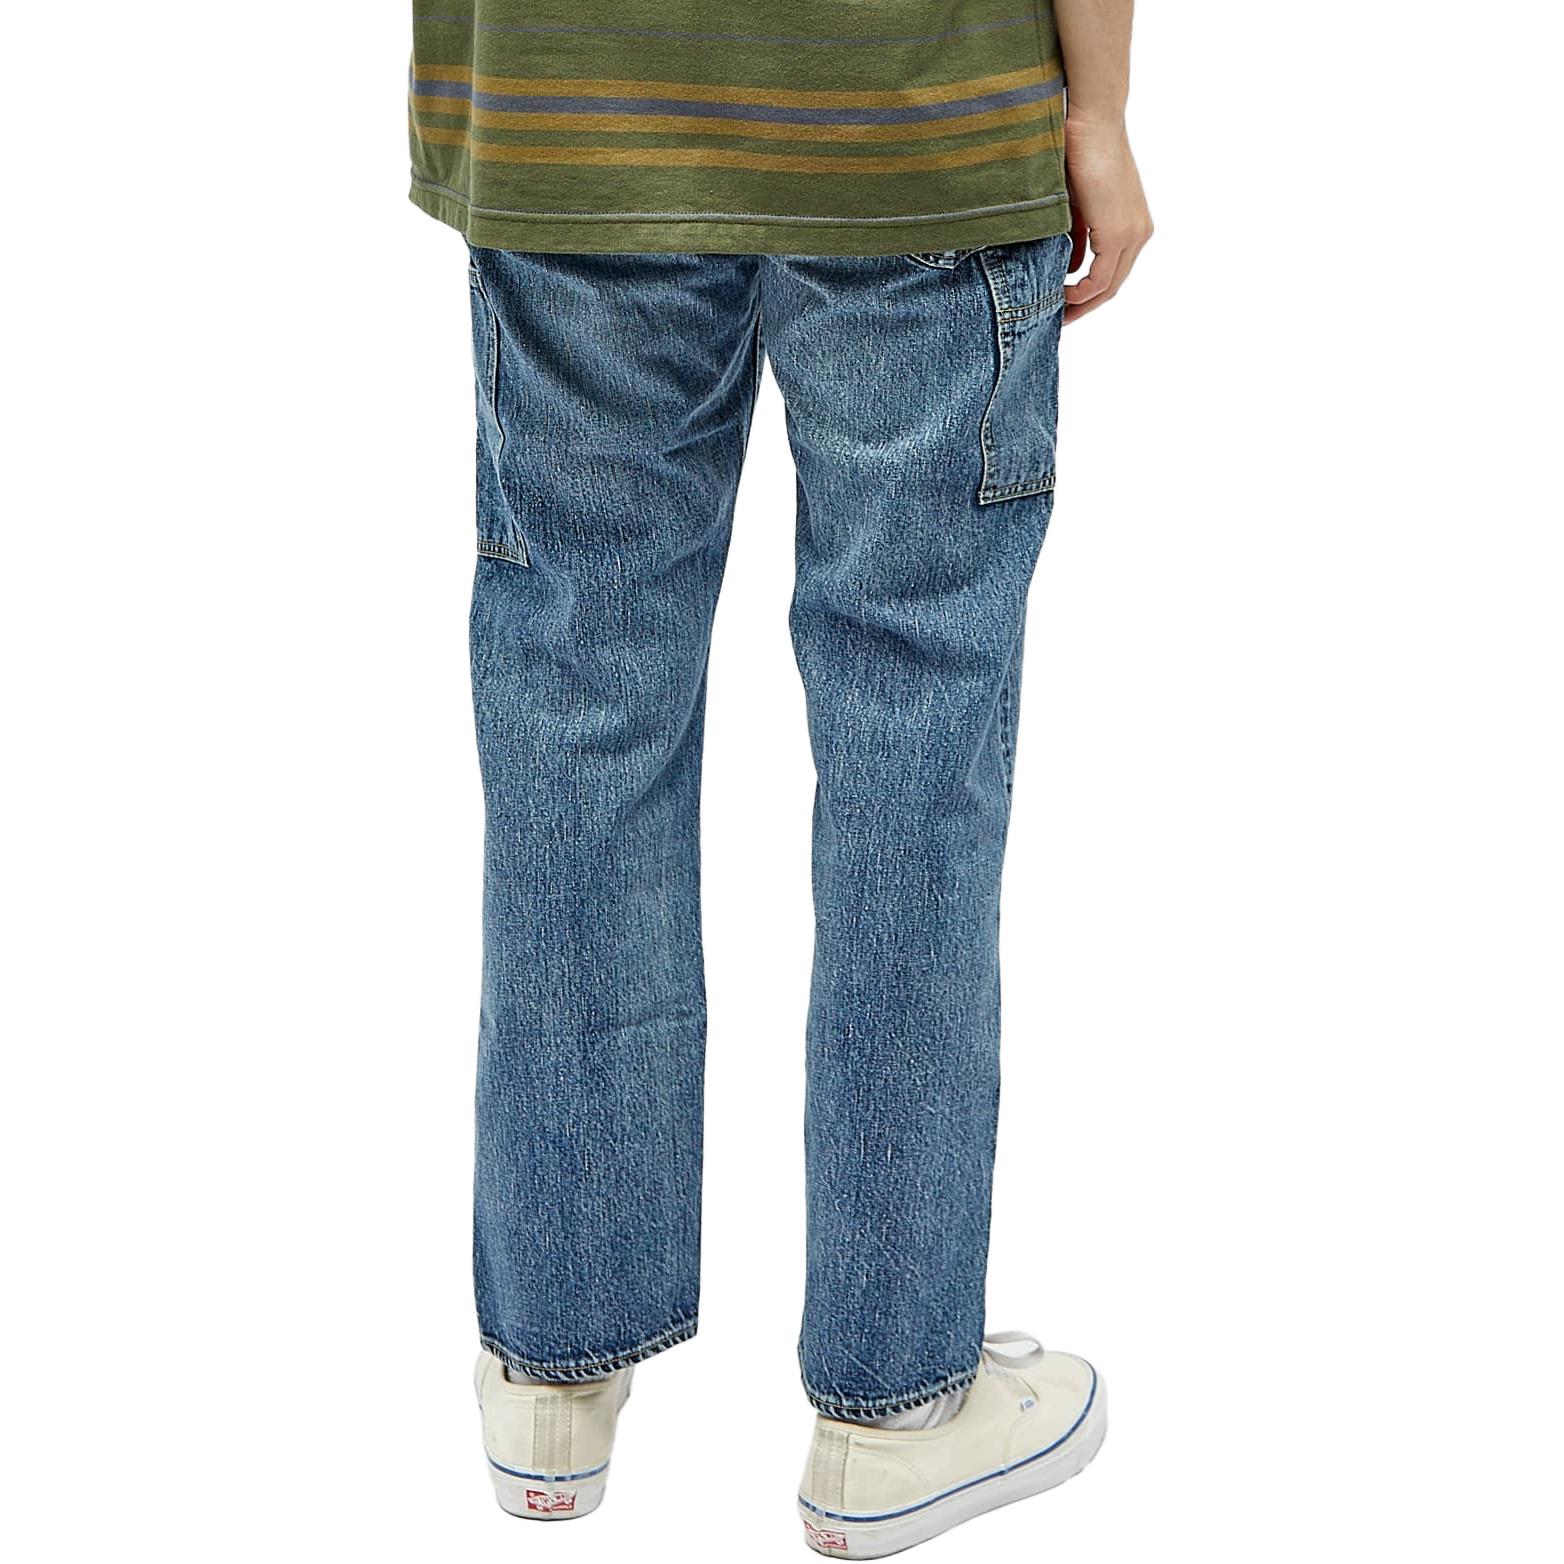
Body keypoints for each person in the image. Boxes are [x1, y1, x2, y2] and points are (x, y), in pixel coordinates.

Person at [408, 0, 1150, 1552]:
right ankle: (895, 1411)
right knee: (912, 743)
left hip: (567, 104)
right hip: (914, 113)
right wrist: (1097, 114)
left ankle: (551, 1375)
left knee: (578, 713)